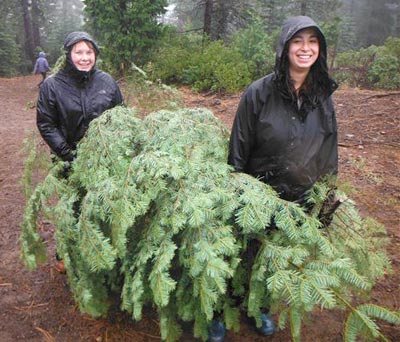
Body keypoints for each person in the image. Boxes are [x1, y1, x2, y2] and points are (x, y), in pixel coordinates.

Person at [209, 16, 339, 342]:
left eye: (312, 41)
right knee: (240, 254)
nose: (305, 48)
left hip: (296, 200)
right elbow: (238, 146)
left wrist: (325, 201)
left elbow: (328, 151)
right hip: (255, 193)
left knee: (273, 259)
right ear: (285, 47)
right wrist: (236, 189)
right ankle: (219, 312)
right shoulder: (259, 93)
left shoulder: (322, 98)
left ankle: (259, 308)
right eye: (298, 41)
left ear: (319, 49)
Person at [36, 31, 124, 273]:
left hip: (104, 160)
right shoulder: (52, 86)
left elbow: (121, 116)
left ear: (95, 55)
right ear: (69, 54)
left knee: (104, 206)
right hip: (68, 162)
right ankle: (64, 255)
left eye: (89, 52)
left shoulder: (107, 82)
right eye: (79, 52)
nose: (85, 58)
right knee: (72, 208)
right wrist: (69, 155)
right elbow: (46, 124)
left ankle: (102, 255)